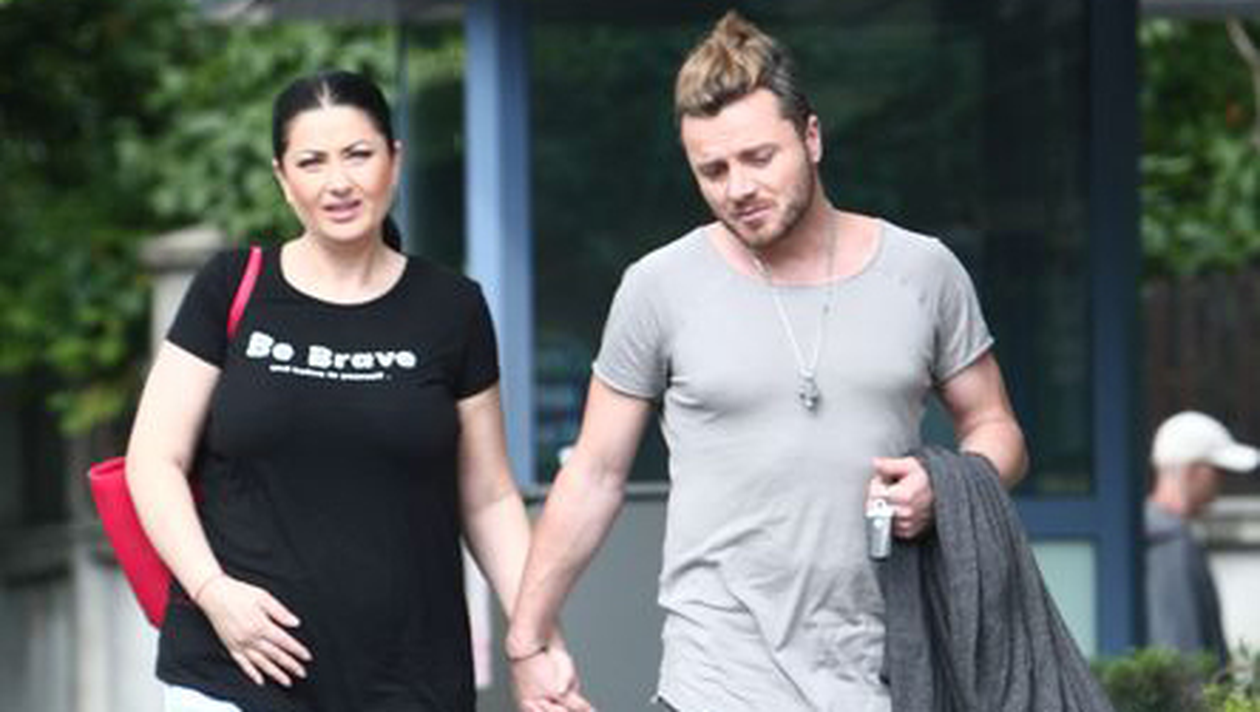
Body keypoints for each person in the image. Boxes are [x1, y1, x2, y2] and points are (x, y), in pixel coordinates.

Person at [507, 11, 1027, 712]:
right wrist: (527, 639)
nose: (738, 188)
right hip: (713, 680)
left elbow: (996, 427)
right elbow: (594, 474)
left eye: (759, 158)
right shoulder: (659, 286)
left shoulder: (922, 271)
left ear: (811, 138)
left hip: (886, 677)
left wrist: (946, 487)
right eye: (713, 170)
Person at [125, 69, 587, 712]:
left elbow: (488, 497)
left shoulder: (451, 308)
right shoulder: (231, 287)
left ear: (394, 160)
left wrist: (535, 643)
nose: (337, 182)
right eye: (311, 162)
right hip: (236, 668)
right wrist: (213, 592)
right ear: (284, 179)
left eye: (358, 154)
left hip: (408, 679)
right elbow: (154, 460)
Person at [1145, 410, 1259, 668]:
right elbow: (1182, 652)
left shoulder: (1158, 533)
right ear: (1194, 471)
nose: (1221, 483)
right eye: (1217, 471)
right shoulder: (1169, 540)